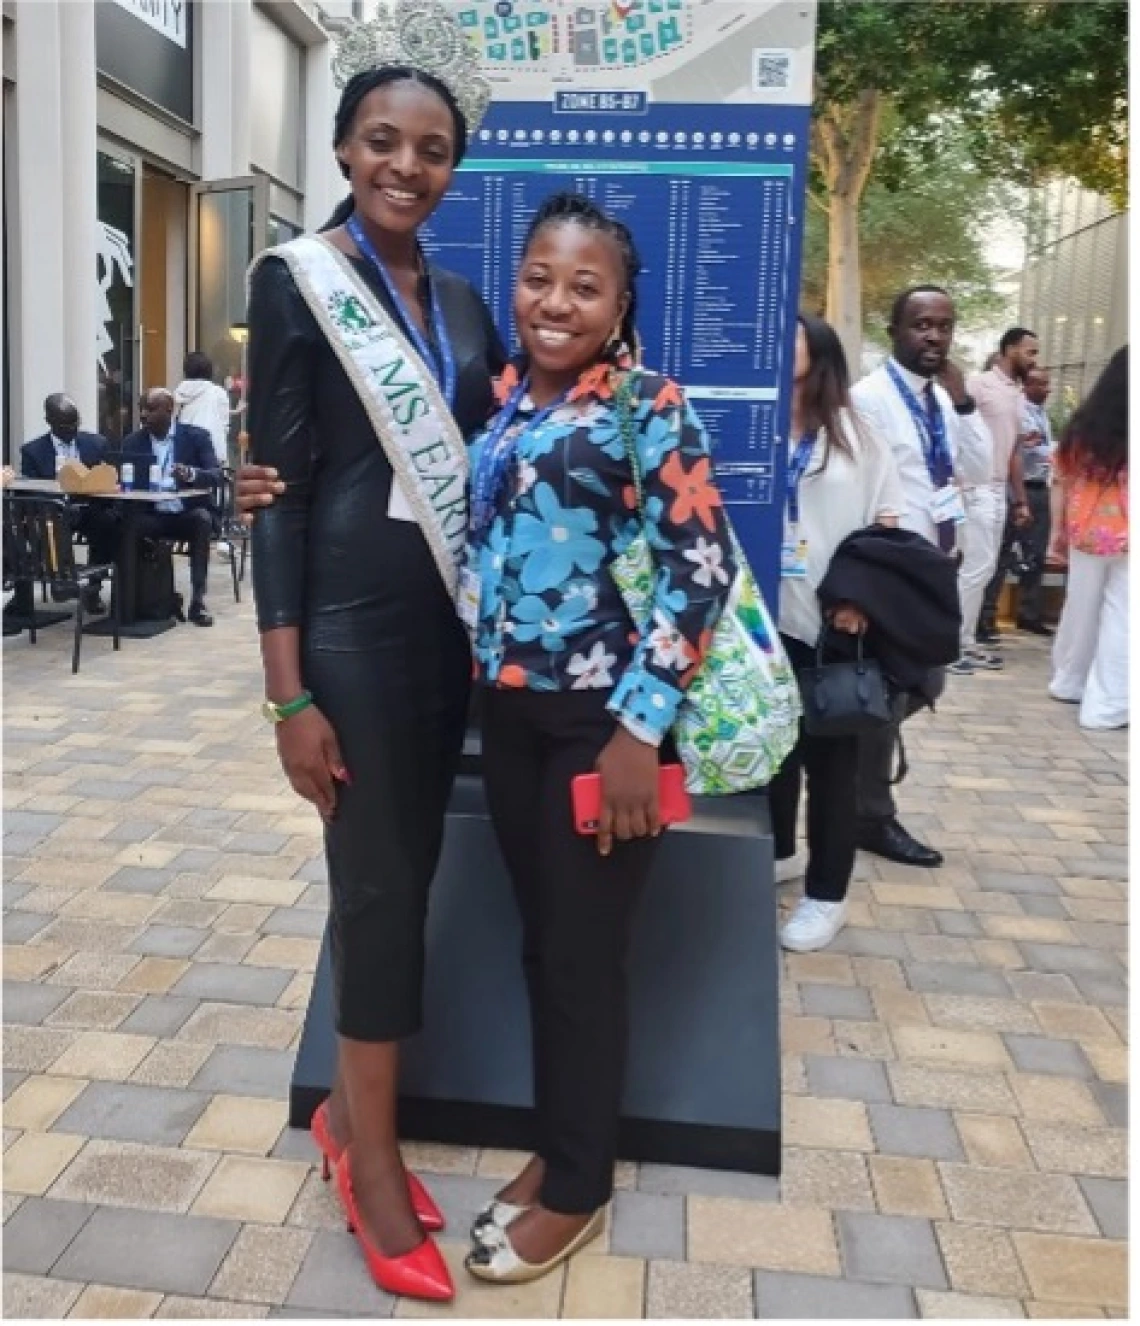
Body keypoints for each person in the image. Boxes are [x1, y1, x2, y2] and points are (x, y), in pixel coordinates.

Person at [244, 5, 501, 1302]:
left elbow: (505, 444)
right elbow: (276, 493)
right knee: (379, 886)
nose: (407, 165)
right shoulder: (296, 279)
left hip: (443, 633)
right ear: (345, 149)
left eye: (433, 148)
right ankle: (371, 1154)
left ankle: (355, 1115)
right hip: (344, 633)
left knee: (408, 868)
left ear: (455, 164)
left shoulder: (462, 298)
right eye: (383, 142)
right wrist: (288, 687)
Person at [462, 193, 737, 1282]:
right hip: (514, 716)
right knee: (546, 947)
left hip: (602, 729)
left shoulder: (646, 402)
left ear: (621, 305)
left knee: (582, 958)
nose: (555, 299)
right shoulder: (504, 405)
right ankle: (562, 1142)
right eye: (539, 276)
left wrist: (638, 736)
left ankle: (577, 1185)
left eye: (585, 284)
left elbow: (699, 573)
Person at [769, 316, 903, 952]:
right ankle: (776, 855)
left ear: (819, 352)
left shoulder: (859, 435)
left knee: (832, 763)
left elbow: (888, 524)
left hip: (834, 621)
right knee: (772, 751)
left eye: (791, 334)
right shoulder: (756, 422)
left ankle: (828, 896)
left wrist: (858, 596)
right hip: (761, 620)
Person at [849, 285, 992, 868]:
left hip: (933, 569)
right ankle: (870, 815)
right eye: (922, 325)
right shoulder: (870, 399)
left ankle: (853, 788)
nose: (935, 336)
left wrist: (963, 404)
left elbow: (977, 470)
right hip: (891, 572)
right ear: (895, 331)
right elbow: (861, 489)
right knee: (891, 690)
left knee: (923, 683)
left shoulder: (938, 400)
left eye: (945, 326)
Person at [1046, 347, 1128, 729]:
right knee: (1122, 618)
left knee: (1080, 609)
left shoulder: (1085, 424)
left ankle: (1069, 681)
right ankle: (1107, 706)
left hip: (1086, 530)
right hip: (1128, 535)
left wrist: (1056, 532)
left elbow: (1061, 479)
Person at [959, 327, 1037, 670]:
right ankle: (951, 645)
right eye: (1029, 352)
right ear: (1008, 350)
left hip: (997, 491)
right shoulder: (978, 385)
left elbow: (1014, 452)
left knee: (987, 567)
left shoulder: (1018, 395)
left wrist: (1020, 500)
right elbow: (955, 429)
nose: (1034, 360)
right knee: (972, 567)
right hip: (972, 489)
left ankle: (966, 640)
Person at [122, 387, 219, 627]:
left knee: (202, 520)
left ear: (169, 410)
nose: (144, 415)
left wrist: (191, 474)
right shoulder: (133, 442)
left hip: (185, 513)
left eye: (150, 409)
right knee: (127, 525)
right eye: (141, 409)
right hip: (153, 514)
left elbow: (216, 475)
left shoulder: (197, 437)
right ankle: (132, 602)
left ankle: (198, 600)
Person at [19, 393, 121, 614]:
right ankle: (61, 580)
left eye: (75, 424)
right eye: (65, 426)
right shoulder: (33, 451)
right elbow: (30, 488)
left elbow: (111, 478)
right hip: (53, 510)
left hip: (88, 507)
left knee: (109, 523)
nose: (71, 430)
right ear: (49, 422)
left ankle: (93, 587)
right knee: (45, 523)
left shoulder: (96, 444)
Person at [979, 364, 1054, 640]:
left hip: (1039, 488)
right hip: (1016, 490)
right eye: (1041, 384)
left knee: (1035, 554)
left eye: (1048, 383)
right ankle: (986, 617)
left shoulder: (1040, 413)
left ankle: (1029, 615)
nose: (1048, 389)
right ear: (1027, 386)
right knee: (1001, 555)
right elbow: (1014, 451)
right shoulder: (1017, 411)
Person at [173, 352, 231, 467]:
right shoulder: (218, 392)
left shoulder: (178, 393)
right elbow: (224, 425)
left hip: (185, 451)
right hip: (213, 452)